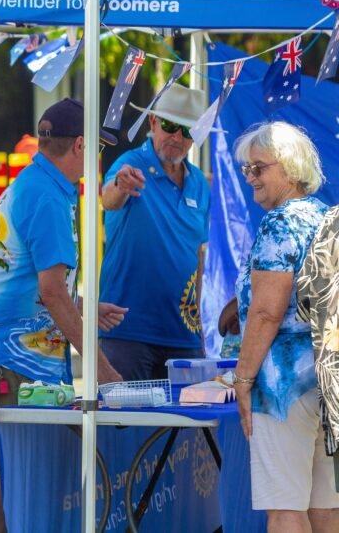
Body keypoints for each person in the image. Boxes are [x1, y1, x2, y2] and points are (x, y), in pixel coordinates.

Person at [0, 98, 125, 533]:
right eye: (99, 148)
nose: (98, 159)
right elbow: (51, 292)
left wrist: (82, 305)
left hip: (9, 349)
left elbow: (32, 281)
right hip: (9, 354)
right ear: (81, 145)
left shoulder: (37, 184)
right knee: (13, 466)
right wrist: (103, 369)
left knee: (19, 465)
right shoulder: (47, 196)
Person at [231, 122, 339, 529]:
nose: (251, 178)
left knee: (285, 507)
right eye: (247, 170)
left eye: (259, 168)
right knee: (326, 506)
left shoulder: (281, 223)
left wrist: (243, 379)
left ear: (290, 169)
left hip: (284, 385)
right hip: (327, 379)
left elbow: (266, 312)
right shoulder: (325, 215)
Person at [99, 84, 212, 380]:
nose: (177, 137)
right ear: (152, 122)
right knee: (125, 425)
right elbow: (109, 199)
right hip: (128, 332)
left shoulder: (199, 183)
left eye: (186, 130)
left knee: (188, 426)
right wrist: (121, 186)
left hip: (183, 336)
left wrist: (198, 329)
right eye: (170, 125)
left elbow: (196, 258)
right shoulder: (130, 165)